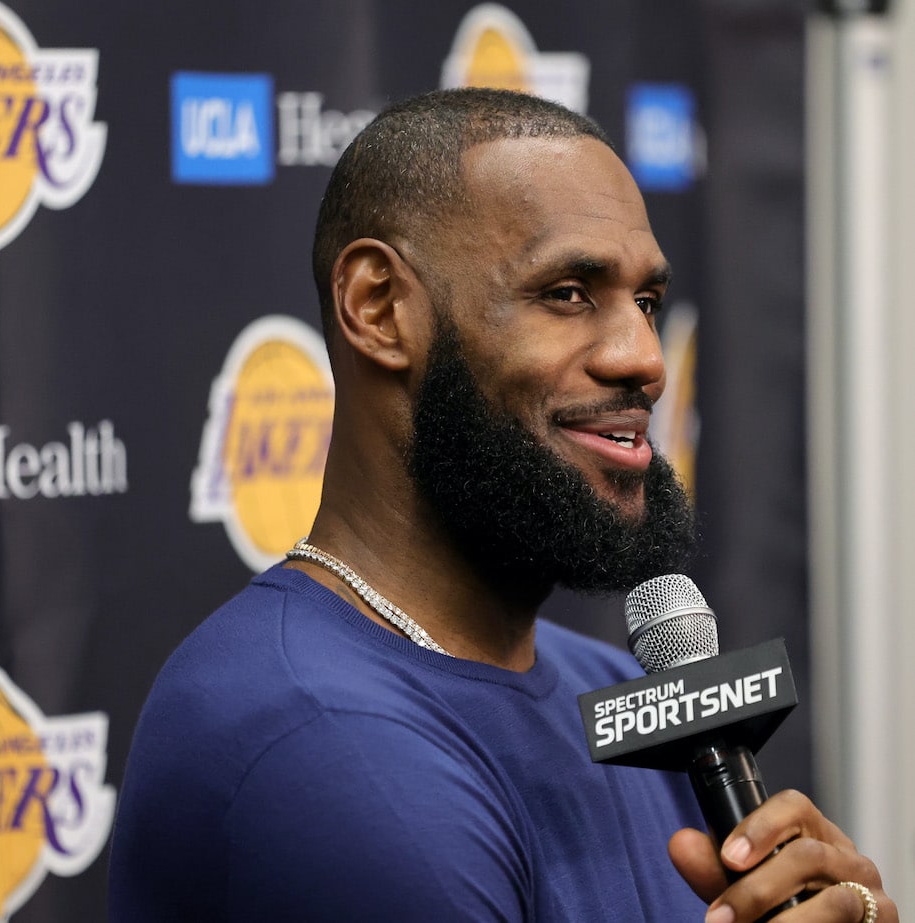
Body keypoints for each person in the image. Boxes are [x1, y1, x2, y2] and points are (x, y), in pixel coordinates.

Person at [109, 88, 894, 922]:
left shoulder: (619, 689)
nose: (644, 359)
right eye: (567, 292)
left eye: (647, 303)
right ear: (379, 307)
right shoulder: (320, 738)